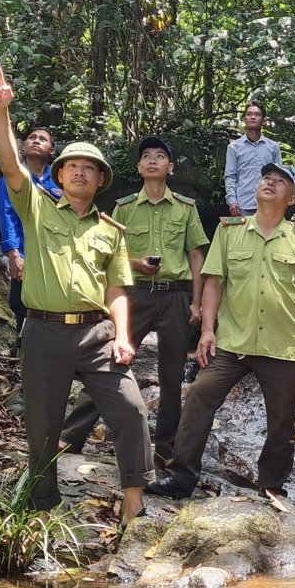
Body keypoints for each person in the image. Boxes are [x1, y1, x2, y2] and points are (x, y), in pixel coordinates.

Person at [0, 67, 151, 522]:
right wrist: (2, 111)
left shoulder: (111, 230)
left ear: (101, 180)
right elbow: (9, 165)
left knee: (132, 411)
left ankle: (134, 497)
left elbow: (117, 288)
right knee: (41, 428)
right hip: (43, 331)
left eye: (90, 168)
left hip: (96, 333)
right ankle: (42, 510)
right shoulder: (37, 206)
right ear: (60, 175)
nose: (81, 172)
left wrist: (123, 335)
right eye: (73, 166)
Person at [145, 163, 295, 500]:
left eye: (281, 181)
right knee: (200, 396)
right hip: (232, 341)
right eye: (266, 178)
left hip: (282, 345)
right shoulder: (230, 231)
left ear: (292, 199)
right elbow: (214, 282)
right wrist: (207, 332)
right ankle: (182, 477)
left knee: (283, 420)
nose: (270, 183)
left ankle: (271, 484)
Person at [58, 137, 209, 466]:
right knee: (110, 362)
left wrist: (197, 303)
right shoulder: (124, 207)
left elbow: (197, 256)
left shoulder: (186, 207)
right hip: (134, 294)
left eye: (160, 156)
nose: (152, 160)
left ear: (170, 167)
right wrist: (136, 263)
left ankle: (166, 451)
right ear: (139, 167)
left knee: (172, 378)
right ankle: (71, 437)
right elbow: (112, 254)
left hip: (175, 296)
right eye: (146, 156)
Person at [0, 126, 60, 332]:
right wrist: (14, 254)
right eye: (32, 137)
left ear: (52, 149)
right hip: (25, 252)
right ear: (24, 146)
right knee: (22, 305)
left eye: (43, 139)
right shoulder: (11, 178)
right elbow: (7, 215)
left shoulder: (60, 180)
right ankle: (22, 350)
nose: (36, 141)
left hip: (56, 254)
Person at [224, 101, 282, 217]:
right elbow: (230, 176)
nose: (253, 117)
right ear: (244, 119)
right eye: (249, 114)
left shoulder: (273, 147)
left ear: (264, 121)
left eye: (257, 114)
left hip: (268, 204)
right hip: (243, 205)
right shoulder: (234, 147)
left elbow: (279, 177)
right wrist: (232, 201)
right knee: (243, 235)